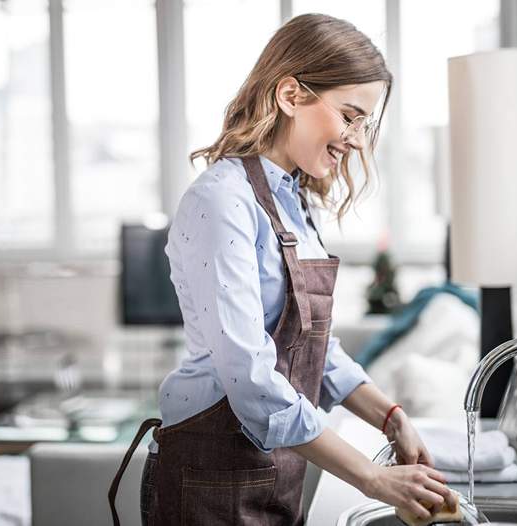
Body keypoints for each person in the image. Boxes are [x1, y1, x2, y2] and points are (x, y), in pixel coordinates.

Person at [109, 13, 455, 525]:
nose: (358, 140)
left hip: (274, 471)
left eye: (366, 123)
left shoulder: (292, 200)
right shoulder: (221, 199)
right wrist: (373, 478)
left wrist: (391, 417)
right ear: (290, 95)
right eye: (350, 115)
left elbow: (314, 347)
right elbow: (250, 379)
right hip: (212, 476)